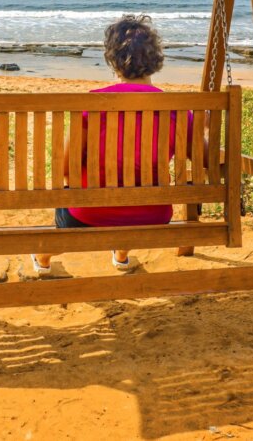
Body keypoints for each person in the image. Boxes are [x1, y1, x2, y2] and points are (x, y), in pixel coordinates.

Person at [32, 14, 193, 275]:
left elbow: (65, 169)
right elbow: (204, 158)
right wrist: (204, 129)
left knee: (68, 206)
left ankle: (43, 258)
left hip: (88, 215)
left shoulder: (91, 106)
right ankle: (121, 254)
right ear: (155, 61)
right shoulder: (178, 110)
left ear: (113, 60)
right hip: (152, 215)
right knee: (133, 187)